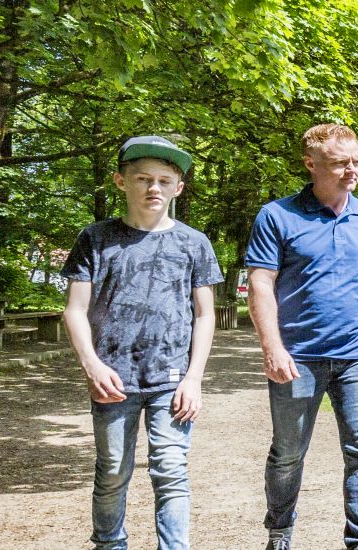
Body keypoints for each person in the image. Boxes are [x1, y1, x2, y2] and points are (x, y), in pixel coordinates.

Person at [245, 123, 358, 550]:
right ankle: (280, 532)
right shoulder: (277, 215)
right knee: (288, 454)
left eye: (356, 161)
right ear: (310, 164)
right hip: (297, 358)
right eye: (340, 163)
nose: (352, 170)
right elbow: (260, 284)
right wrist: (272, 347)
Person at [61, 135, 223, 550]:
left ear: (178, 188)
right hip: (112, 380)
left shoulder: (194, 243)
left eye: (165, 180)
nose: (154, 188)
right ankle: (109, 544)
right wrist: (92, 366)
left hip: (172, 380)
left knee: (170, 471)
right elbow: (75, 310)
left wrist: (194, 378)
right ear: (120, 180)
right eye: (143, 178)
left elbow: (205, 315)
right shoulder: (96, 238)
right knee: (113, 470)